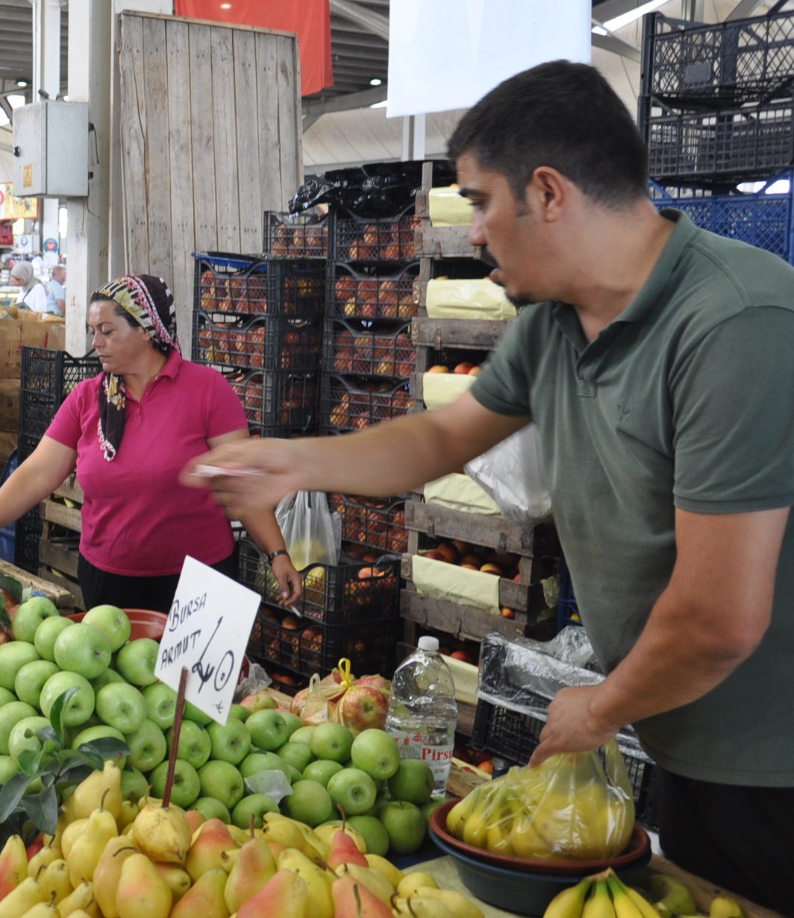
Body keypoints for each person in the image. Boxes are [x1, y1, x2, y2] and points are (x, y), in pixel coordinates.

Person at [187, 60, 794, 912]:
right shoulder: (554, 323)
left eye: (478, 200)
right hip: (681, 732)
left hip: (770, 762)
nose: (471, 231)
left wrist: (600, 707)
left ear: (548, 193)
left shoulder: (735, 325)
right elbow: (439, 437)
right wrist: (293, 461)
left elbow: (720, 618)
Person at [0, 274, 301, 612]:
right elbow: (37, 473)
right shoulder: (87, 397)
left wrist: (277, 553)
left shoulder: (207, 391)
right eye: (93, 331)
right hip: (108, 578)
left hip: (197, 580)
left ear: (145, 331)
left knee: (186, 680)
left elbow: (240, 480)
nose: (96, 342)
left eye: (107, 331)